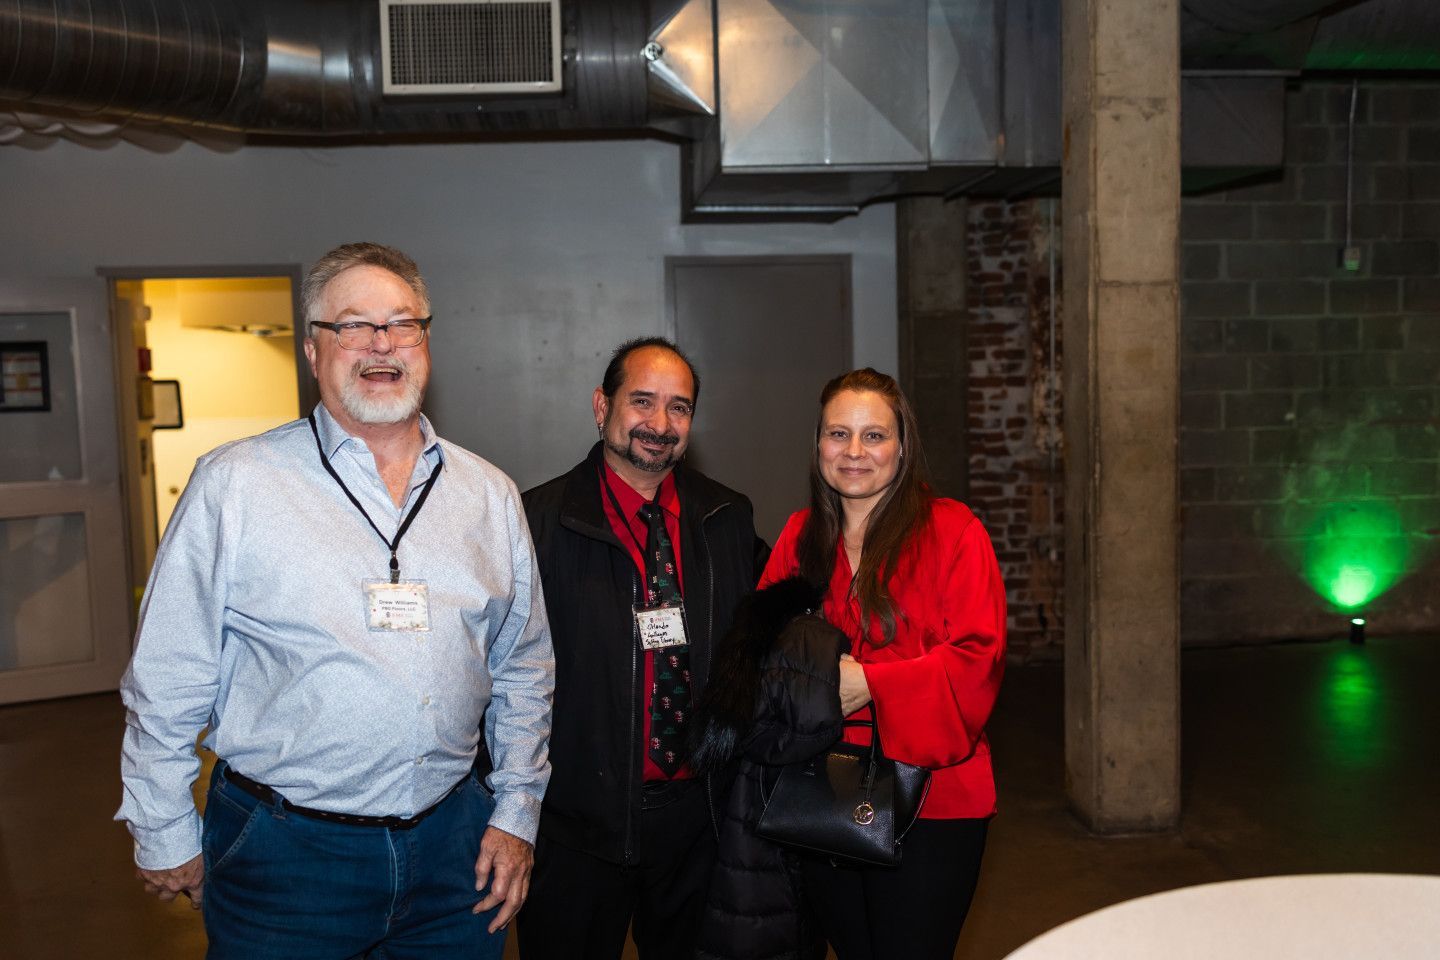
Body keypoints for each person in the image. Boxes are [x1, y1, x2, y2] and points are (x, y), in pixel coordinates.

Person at [116, 242, 554, 959]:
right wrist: (161, 825)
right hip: (285, 857)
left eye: (402, 323)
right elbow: (169, 669)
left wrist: (516, 813)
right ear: (313, 350)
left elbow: (525, 667)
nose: (382, 343)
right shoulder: (236, 485)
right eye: (353, 324)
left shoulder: (488, 494)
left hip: (457, 853)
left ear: (426, 343)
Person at [517, 337, 766, 960]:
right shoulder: (535, 521)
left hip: (697, 822)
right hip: (577, 822)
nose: (660, 423)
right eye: (643, 401)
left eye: (679, 407)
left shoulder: (726, 518)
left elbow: (773, 624)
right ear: (602, 407)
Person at [757, 367, 1007, 960]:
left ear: (902, 446)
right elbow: (763, 650)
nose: (854, 451)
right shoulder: (799, 536)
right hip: (821, 789)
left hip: (935, 800)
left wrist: (872, 682)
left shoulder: (954, 531)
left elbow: (977, 658)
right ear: (818, 444)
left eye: (874, 435)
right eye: (838, 433)